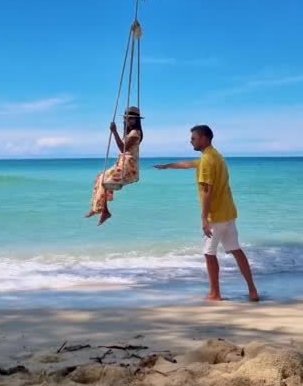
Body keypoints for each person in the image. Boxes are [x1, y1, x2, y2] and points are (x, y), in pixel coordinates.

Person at [154, 125, 259, 302]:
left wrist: (204, 218)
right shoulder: (216, 157)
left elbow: (207, 191)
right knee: (236, 250)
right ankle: (252, 290)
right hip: (228, 214)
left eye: (193, 138)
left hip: (215, 217)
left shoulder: (207, 161)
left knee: (209, 254)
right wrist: (168, 166)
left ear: (203, 138)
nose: (191, 141)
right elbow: (189, 164)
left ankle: (215, 294)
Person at [85, 106, 143, 226]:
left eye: (130, 119)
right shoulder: (129, 132)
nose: (126, 120)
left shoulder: (135, 133)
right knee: (100, 177)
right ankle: (100, 209)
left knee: (103, 180)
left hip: (128, 168)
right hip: (122, 165)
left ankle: (102, 210)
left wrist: (114, 131)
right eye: (126, 118)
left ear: (136, 120)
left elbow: (123, 148)